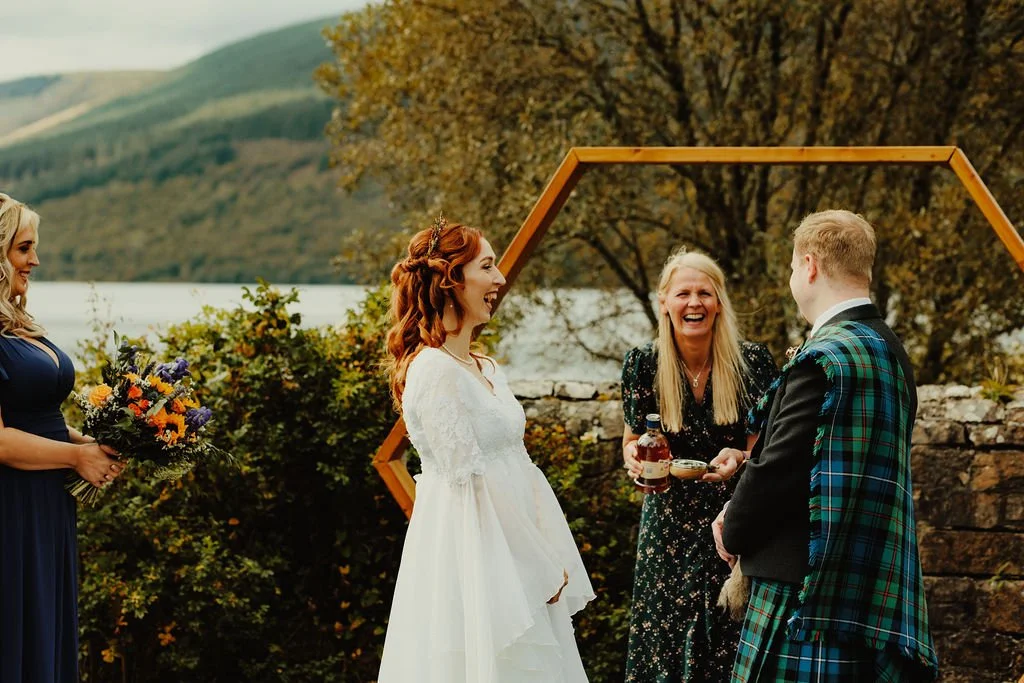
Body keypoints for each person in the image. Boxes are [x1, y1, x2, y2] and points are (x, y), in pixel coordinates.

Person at [712, 209, 938, 681]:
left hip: (802, 596)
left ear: (809, 265)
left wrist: (733, 526)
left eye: (794, 266)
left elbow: (781, 470)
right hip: (866, 589)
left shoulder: (825, 356)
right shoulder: (889, 350)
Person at [378, 214, 595, 683]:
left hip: (521, 543)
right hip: (477, 553)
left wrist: (548, 549)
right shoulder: (432, 371)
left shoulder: (487, 367)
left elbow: (519, 464)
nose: (499, 279)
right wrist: (536, 561)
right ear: (450, 280)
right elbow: (469, 482)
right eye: (487, 267)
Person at [621, 247, 778, 682]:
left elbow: (764, 450)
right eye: (684, 294)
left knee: (725, 646)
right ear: (664, 303)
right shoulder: (643, 364)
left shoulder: (752, 363)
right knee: (663, 650)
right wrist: (635, 459)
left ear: (719, 302)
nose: (695, 303)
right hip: (666, 526)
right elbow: (633, 440)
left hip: (730, 525)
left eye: (705, 294)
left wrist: (741, 459)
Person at [0, 193, 124, 682]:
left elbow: (37, 419)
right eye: (23, 248)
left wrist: (97, 447)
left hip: (47, 503)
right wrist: (76, 457)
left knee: (45, 627)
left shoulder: (19, 323)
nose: (35, 260)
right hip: (11, 506)